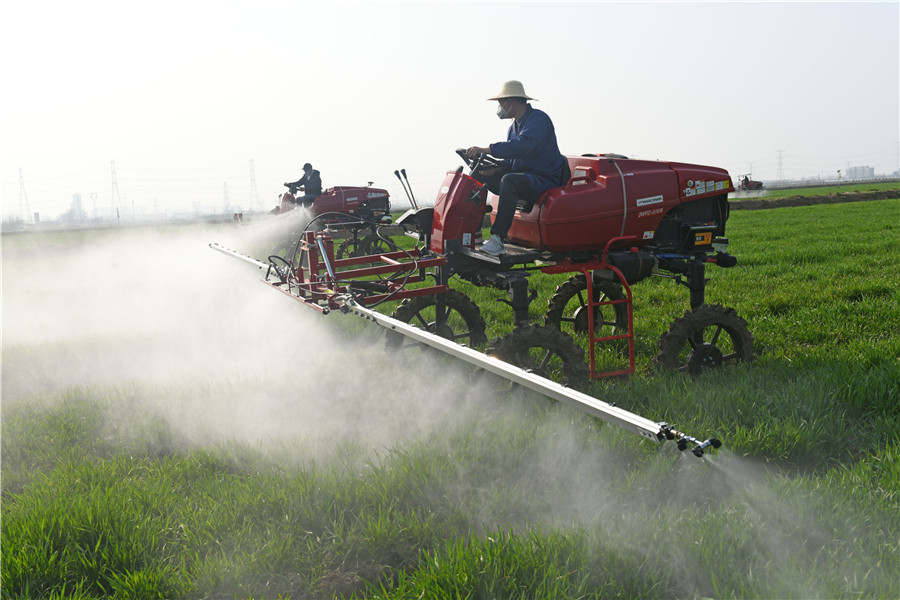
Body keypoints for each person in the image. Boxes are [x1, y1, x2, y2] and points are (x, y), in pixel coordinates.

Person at [466, 80, 569, 256]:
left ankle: (498, 239)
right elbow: (512, 160)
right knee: (478, 176)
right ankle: (472, 232)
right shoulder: (513, 127)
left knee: (510, 180)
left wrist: (487, 149)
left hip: (543, 179)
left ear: (512, 102)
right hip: (525, 178)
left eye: (501, 103)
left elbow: (522, 146)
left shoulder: (538, 120)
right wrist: (494, 170)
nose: (499, 107)